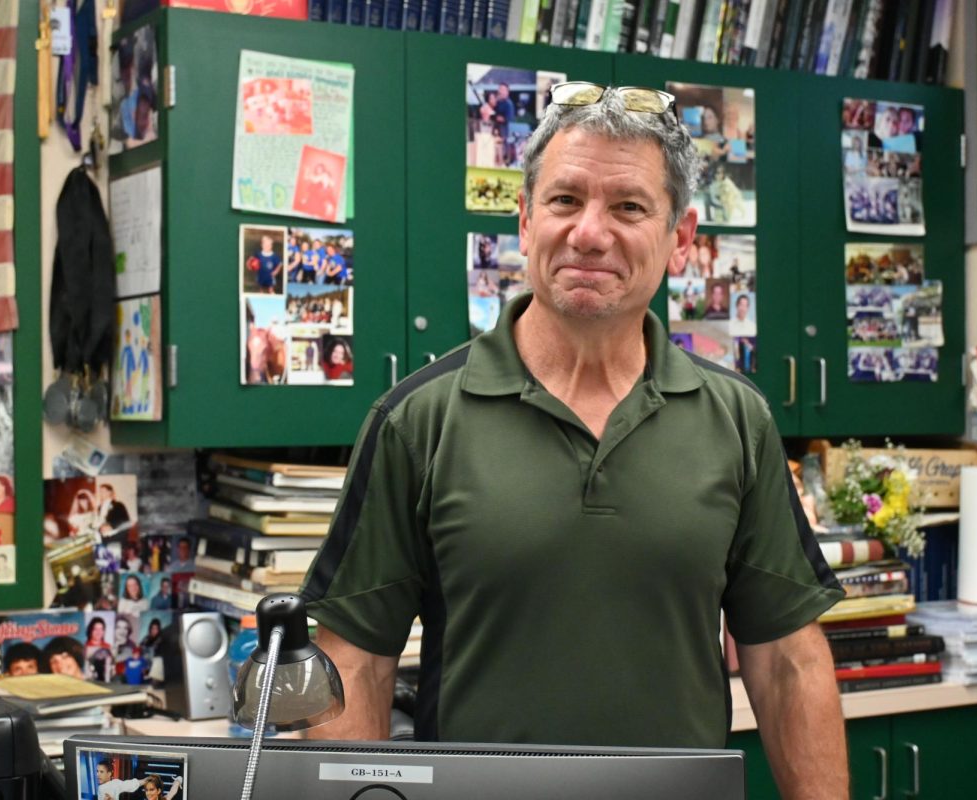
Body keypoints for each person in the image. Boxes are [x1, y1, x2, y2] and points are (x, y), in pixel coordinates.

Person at [300, 83, 845, 797]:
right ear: (525, 222)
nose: (590, 232)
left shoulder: (736, 420)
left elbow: (786, 661)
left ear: (680, 239)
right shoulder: (417, 420)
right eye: (564, 201)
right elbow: (353, 663)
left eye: (628, 207)